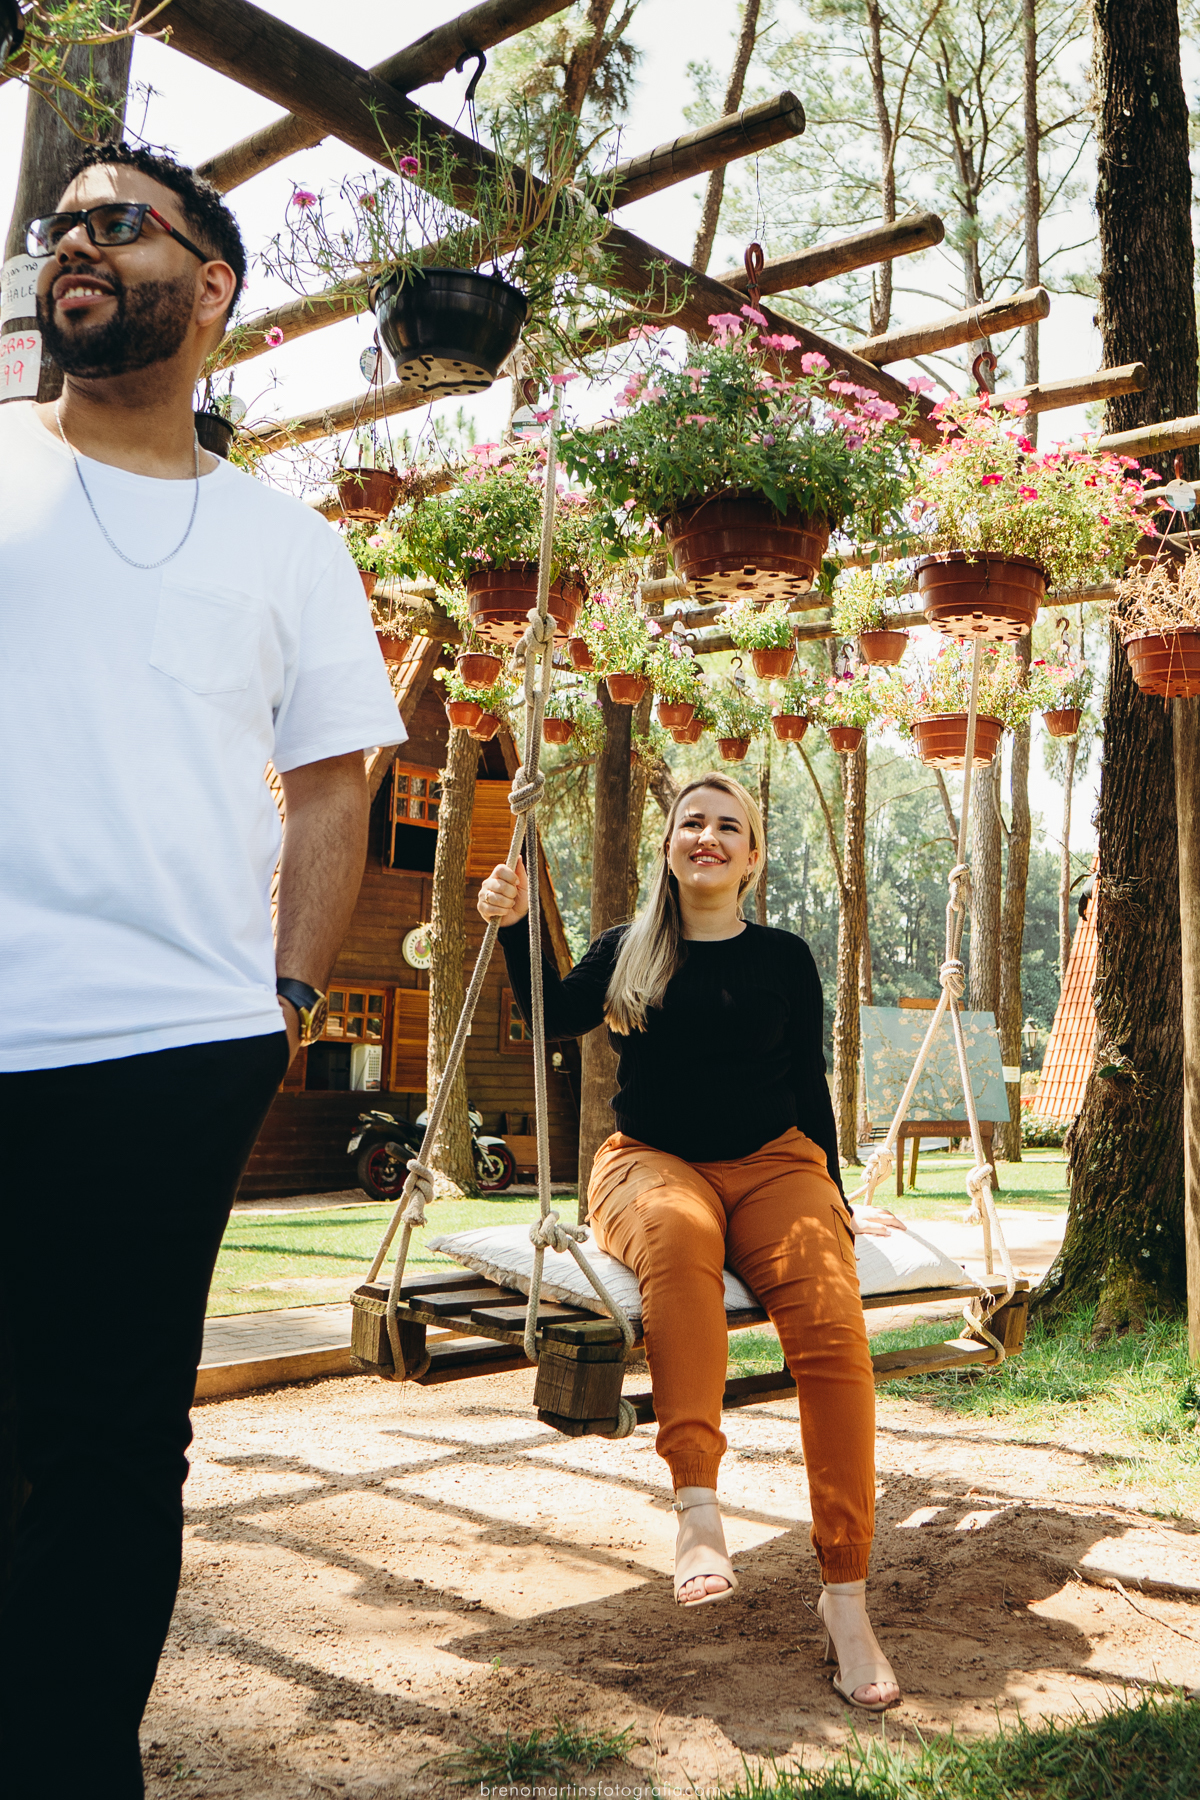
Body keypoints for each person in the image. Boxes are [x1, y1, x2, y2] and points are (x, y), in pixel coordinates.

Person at [0, 144, 402, 1796]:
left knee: (111, 1451)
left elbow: (334, 790)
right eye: (59, 225)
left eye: (119, 223)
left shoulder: (291, 549)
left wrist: (286, 1011)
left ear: (212, 289)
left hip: (173, 1051)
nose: (75, 243)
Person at [478, 772, 905, 1710]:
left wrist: (831, 1193)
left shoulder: (785, 958)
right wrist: (512, 926)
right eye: (691, 823)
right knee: (677, 1242)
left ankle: (846, 1596)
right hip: (651, 1164)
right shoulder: (628, 949)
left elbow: (809, 1087)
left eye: (729, 826)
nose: (706, 836)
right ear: (668, 848)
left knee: (833, 1326)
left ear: (752, 858)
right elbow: (550, 1020)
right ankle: (699, 1508)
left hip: (776, 1163)